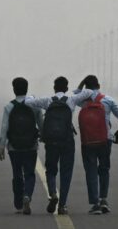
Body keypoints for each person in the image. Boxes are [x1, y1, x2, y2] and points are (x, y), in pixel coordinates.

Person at [25, 76, 94, 215]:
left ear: (54, 88)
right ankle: (62, 205)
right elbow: (89, 92)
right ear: (66, 88)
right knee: (66, 172)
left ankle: (52, 193)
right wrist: (80, 86)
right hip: (67, 140)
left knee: (51, 170)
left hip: (51, 142)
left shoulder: (47, 100)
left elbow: (28, 103)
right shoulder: (71, 100)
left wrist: (31, 95)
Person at [76, 75, 118, 215]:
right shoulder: (108, 100)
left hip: (88, 141)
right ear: (98, 85)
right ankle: (104, 199)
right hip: (105, 140)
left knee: (91, 171)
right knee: (104, 170)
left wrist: (81, 83)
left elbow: (75, 93)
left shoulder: (82, 100)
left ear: (86, 88)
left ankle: (95, 204)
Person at [0, 77, 43, 215]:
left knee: (17, 174)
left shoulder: (9, 107)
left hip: (14, 147)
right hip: (31, 146)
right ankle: (27, 196)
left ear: (14, 90)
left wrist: (1, 146)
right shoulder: (34, 106)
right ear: (27, 89)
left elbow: (4, 127)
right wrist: (43, 136)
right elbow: (41, 124)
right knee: (30, 173)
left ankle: (18, 203)